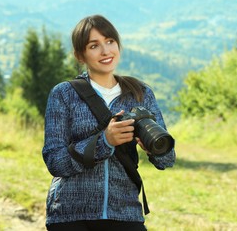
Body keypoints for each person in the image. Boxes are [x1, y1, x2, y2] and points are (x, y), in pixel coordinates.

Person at [42, 14, 176, 231]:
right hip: (71, 215)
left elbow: (167, 159)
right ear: (80, 55)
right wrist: (105, 141)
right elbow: (54, 161)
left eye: (110, 42)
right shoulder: (64, 94)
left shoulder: (140, 93)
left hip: (126, 213)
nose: (105, 51)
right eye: (94, 45)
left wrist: (154, 148)